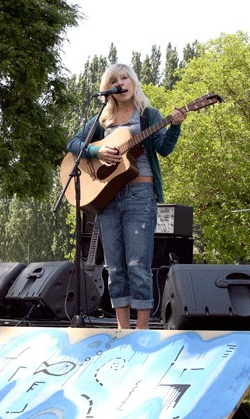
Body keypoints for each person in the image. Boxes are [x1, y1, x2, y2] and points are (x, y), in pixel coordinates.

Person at [66, 63, 187, 329]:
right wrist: (97, 153)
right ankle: (122, 328)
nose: (120, 83)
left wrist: (175, 126)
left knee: (137, 265)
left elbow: (164, 148)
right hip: (107, 196)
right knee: (115, 267)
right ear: (108, 88)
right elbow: (72, 144)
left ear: (133, 83)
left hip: (140, 194)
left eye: (125, 77)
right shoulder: (103, 120)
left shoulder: (148, 115)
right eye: (114, 79)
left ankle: (141, 329)